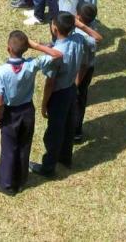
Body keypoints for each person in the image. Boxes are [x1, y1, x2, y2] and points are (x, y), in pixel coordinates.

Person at [0, 31, 62, 195]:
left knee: (9, 149)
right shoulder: (32, 64)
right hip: (27, 111)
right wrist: (36, 45)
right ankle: (21, 181)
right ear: (26, 49)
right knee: (24, 146)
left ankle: (7, 185)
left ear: (8, 48)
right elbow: (58, 54)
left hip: (10, 114)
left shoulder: (2, 71)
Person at [29, 11, 87, 178]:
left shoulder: (56, 55)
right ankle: (65, 158)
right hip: (71, 89)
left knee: (54, 132)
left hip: (59, 94)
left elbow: (50, 83)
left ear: (54, 28)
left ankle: (48, 168)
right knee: (69, 126)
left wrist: (44, 104)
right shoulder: (78, 39)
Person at [71, 4, 104, 143]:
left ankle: (75, 132)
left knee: (77, 100)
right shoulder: (92, 26)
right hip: (88, 67)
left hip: (81, 71)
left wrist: (75, 84)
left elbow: (83, 65)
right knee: (81, 98)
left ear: (78, 16)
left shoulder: (83, 37)